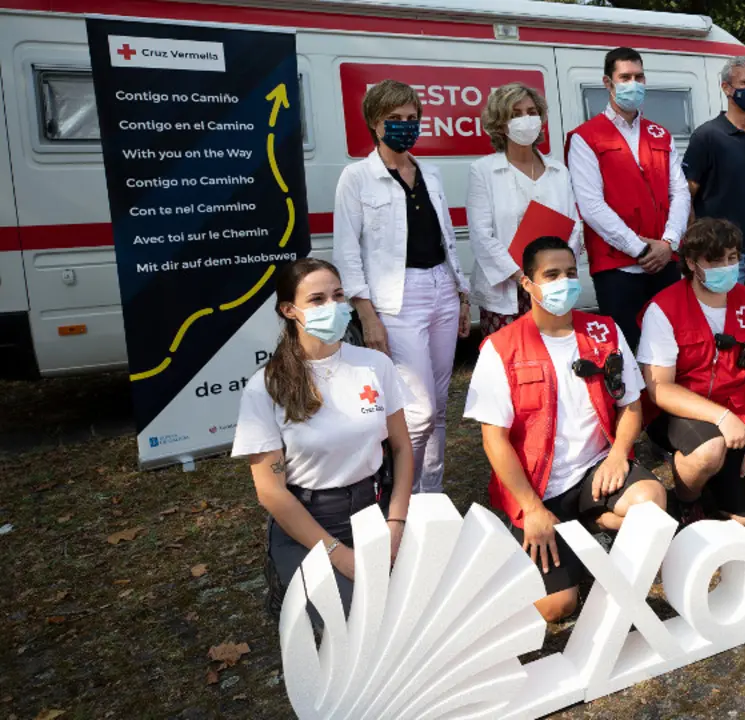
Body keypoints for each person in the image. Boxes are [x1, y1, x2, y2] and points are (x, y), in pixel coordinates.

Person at [465, 237, 666, 622]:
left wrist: (618, 455)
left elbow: (631, 405)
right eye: (551, 275)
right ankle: (550, 536)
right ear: (528, 284)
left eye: (571, 273)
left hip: (594, 472)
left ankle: (590, 526)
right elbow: (494, 439)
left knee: (650, 500)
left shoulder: (604, 332)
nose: (564, 283)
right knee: (557, 608)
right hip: (537, 490)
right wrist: (531, 508)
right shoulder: (501, 347)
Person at [232, 259, 413, 619]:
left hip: (373, 509)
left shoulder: (375, 366)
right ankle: (289, 583)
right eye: (317, 299)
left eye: (338, 295)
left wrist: (396, 523)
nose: (332, 306)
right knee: (356, 621)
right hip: (309, 520)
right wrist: (337, 554)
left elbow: (402, 447)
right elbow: (271, 491)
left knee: (409, 612)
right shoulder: (266, 387)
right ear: (288, 310)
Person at [333, 79, 471, 495]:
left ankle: (434, 495)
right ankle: (405, 500)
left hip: (442, 288)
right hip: (397, 299)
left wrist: (462, 294)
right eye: (394, 119)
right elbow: (346, 252)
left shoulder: (430, 171)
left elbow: (445, 236)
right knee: (419, 410)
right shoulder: (356, 177)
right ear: (375, 123)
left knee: (441, 406)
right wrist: (367, 315)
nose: (405, 126)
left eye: (411, 119)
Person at [638, 218, 745, 528]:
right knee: (709, 451)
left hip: (736, 422)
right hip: (679, 415)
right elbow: (660, 389)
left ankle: (711, 481)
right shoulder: (664, 308)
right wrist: (720, 417)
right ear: (691, 262)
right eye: (715, 260)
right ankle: (687, 499)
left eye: (732, 258)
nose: (726, 267)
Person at [567, 47, 692, 349]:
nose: (632, 84)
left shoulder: (660, 135)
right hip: (617, 267)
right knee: (626, 348)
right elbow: (591, 206)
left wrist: (669, 243)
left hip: (665, 261)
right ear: (607, 83)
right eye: (624, 77)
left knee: (671, 346)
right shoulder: (586, 137)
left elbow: (680, 191)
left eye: (638, 77)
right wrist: (639, 248)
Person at [467, 82, 582, 337]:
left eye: (531, 112)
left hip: (553, 287)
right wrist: (522, 277)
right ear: (500, 123)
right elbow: (481, 236)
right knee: (509, 363)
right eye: (515, 114)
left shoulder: (558, 172)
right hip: (507, 291)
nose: (526, 119)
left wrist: (554, 273)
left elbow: (575, 226)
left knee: (554, 360)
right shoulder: (483, 171)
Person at [683, 56, 745, 296]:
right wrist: (698, 247)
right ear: (727, 88)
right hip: (723, 255)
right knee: (725, 321)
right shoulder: (706, 136)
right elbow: (687, 194)